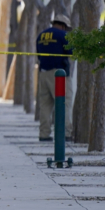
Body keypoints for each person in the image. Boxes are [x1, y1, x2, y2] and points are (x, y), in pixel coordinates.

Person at [36, 14, 74, 142]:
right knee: (65, 102)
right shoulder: (62, 35)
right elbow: (71, 51)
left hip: (43, 73)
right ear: (63, 26)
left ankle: (44, 134)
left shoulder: (41, 35)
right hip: (59, 75)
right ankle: (66, 133)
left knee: (45, 105)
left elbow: (39, 56)